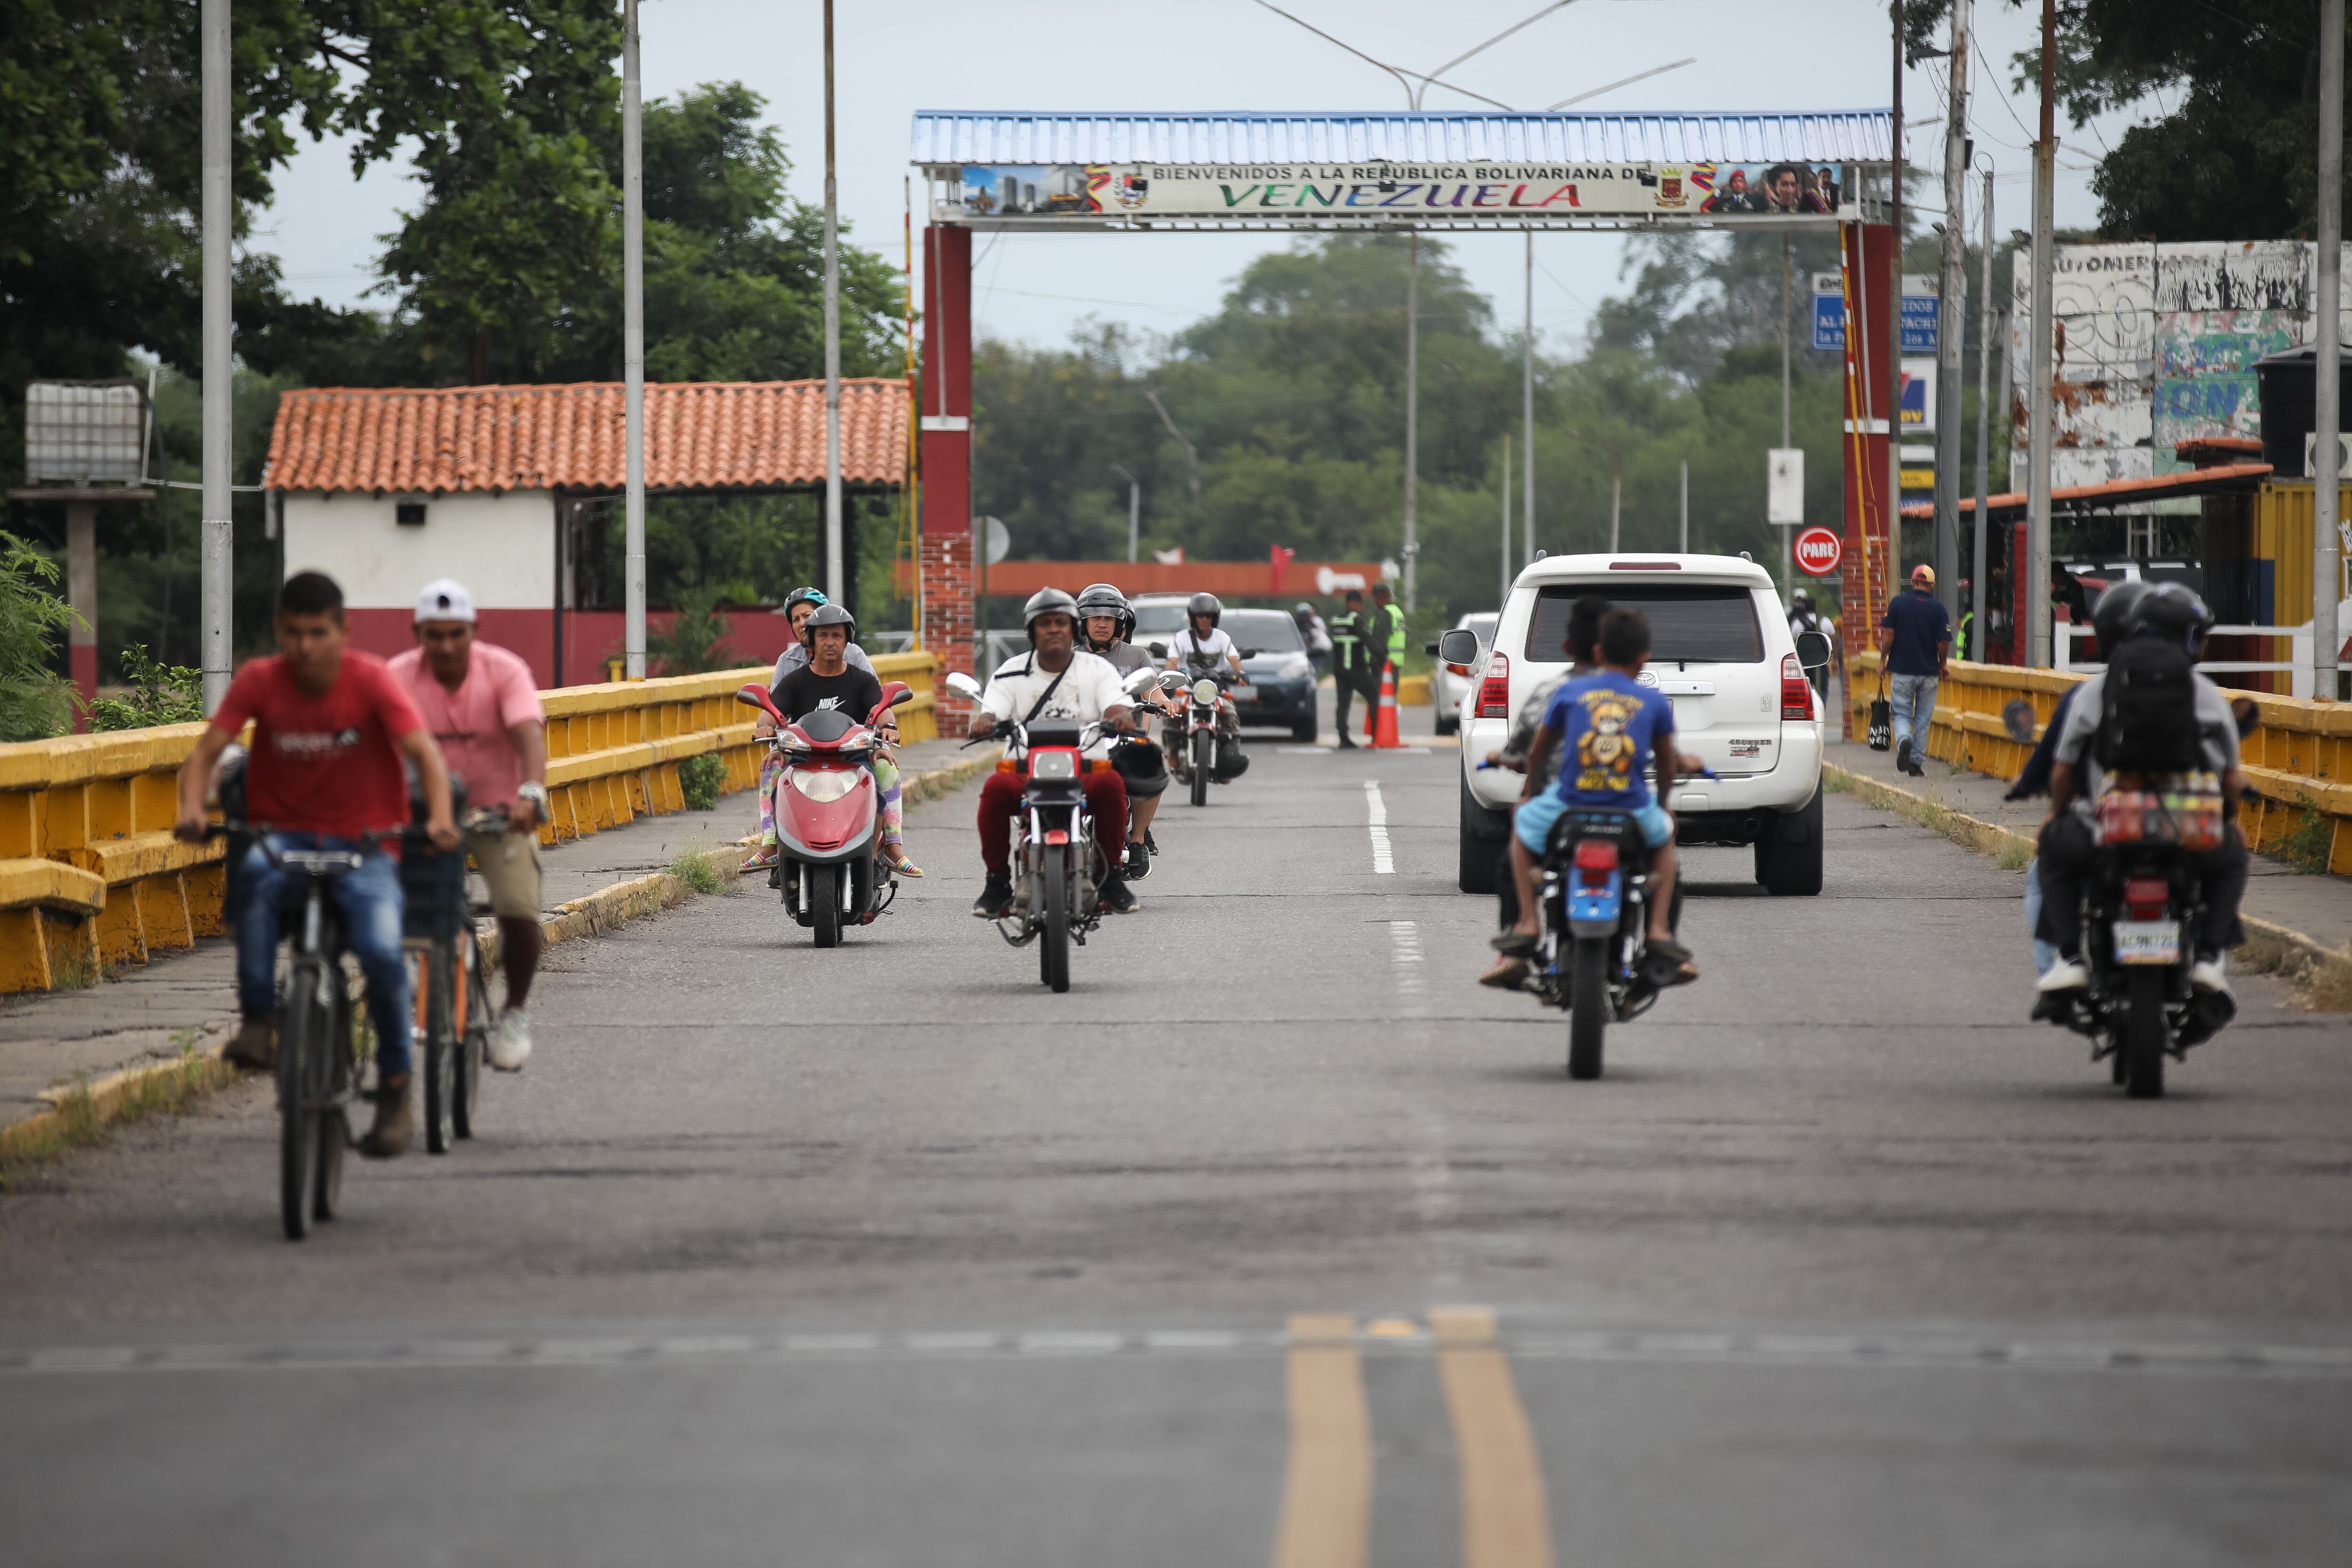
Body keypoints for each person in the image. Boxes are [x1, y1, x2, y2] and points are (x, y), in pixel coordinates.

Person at [172, 571, 458, 1159]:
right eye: (295, 633)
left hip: (366, 846)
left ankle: (395, 1086)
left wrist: (439, 820)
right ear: (280, 630)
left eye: (319, 633)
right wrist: (192, 811)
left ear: (343, 632)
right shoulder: (260, 680)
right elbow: (204, 757)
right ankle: (258, 1019)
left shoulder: (371, 681)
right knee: (252, 879)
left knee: (383, 953)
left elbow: (425, 755)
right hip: (285, 838)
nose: (306, 647)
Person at [2033, 581, 2249, 1004]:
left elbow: (2062, 772)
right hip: (2187, 830)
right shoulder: (2205, 694)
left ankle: (2070, 959)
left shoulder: (2095, 690)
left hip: (2110, 828)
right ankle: (2208, 957)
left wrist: (2057, 815)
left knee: (2053, 850)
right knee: (2232, 858)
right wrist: (2228, 820)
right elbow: (2230, 779)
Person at [388, 578, 548, 1071]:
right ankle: (412, 973)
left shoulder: (504, 671)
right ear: (417, 634)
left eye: (456, 634)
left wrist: (530, 793)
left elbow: (528, 734)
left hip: (497, 813)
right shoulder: (397, 677)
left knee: (519, 909)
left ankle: (513, 1011)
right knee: (384, 896)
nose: (446, 646)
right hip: (424, 814)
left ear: (474, 630)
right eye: (434, 635)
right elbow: (375, 746)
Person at [1487, 609, 1696, 983]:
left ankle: (1528, 922)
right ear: (1643, 658)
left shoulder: (1568, 692)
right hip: (1630, 808)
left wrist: (1534, 794)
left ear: (1600, 652)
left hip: (1569, 804)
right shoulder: (1653, 701)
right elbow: (1667, 766)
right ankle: (1659, 930)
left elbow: (1536, 754)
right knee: (1665, 841)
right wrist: (1663, 806)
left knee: (1521, 824)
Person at [970, 588, 1140, 918]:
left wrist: (1120, 717)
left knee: (1112, 786)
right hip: (1024, 767)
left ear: (1073, 628)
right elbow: (992, 710)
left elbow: (1116, 703)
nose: (1053, 629)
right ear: (1031, 630)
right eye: (1044, 623)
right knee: (994, 790)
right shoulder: (1010, 671)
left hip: (1085, 764)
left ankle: (1110, 877)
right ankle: (997, 882)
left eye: (1061, 622)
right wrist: (985, 722)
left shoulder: (1097, 670)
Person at [765, 603, 920, 877]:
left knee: (886, 768)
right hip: (803, 758)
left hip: (854, 757)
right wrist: (766, 728)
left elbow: (881, 709)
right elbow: (770, 713)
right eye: (823, 635)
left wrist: (888, 727)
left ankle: (888, 850)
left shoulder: (861, 680)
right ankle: (772, 847)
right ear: (811, 640)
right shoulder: (795, 681)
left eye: (837, 636)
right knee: (772, 767)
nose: (830, 642)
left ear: (847, 640)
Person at [1077, 582, 1171, 878]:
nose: (1102, 624)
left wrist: (1163, 702)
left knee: (1154, 762)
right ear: (1083, 623)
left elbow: (1152, 689)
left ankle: (1138, 839)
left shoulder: (1136, 656)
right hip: (1081, 738)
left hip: (1126, 738)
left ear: (1120, 624)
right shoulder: (1070, 658)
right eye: (1095, 618)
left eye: (1109, 618)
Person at [1877, 564, 1951, 777]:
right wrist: (1943, 665)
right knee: (1923, 719)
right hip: (1929, 673)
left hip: (1902, 671)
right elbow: (1944, 642)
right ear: (1932, 585)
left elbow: (1889, 635)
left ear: (1912, 583)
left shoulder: (1898, 604)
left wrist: (1883, 660)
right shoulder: (1939, 609)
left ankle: (1904, 741)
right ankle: (1916, 764)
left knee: (1901, 713)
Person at [1163, 590, 1246, 774]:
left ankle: (1229, 759)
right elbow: (1172, 662)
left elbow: (1234, 659)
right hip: (1187, 691)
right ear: (1193, 618)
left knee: (1230, 714)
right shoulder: (1181, 638)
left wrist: (1240, 673)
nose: (1204, 620)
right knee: (1172, 713)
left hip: (1215, 692)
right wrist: (1168, 676)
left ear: (1214, 619)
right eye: (1200, 616)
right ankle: (1173, 752)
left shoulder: (1222, 637)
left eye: (1209, 616)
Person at [1328, 588, 1376, 748]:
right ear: (1353, 603)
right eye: (1360, 603)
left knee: (1343, 704)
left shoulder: (1336, 620)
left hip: (1339, 669)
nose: (1360, 606)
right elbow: (1369, 641)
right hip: (1355, 668)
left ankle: (1343, 738)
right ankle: (1376, 734)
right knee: (1374, 696)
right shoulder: (1356, 619)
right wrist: (1382, 657)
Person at [1788, 587, 1837, 698]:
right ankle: (1821, 706)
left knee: (1804, 689)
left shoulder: (1797, 623)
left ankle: (1809, 707)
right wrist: (1835, 661)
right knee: (1822, 689)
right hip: (1822, 662)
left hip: (1804, 662)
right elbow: (1834, 642)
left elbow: (1792, 643)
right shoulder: (1825, 621)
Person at [1295, 601, 1333, 679]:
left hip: (1314, 653)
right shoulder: (1296, 625)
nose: (1304, 617)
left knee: (1315, 672)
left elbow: (1318, 635)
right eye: (1303, 614)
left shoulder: (1314, 624)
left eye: (1306, 614)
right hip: (1301, 654)